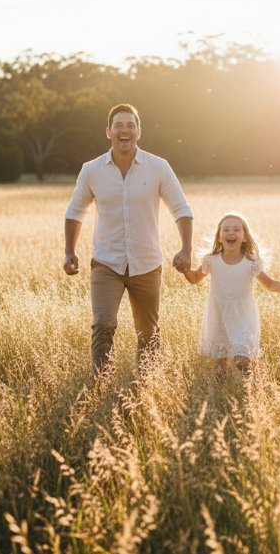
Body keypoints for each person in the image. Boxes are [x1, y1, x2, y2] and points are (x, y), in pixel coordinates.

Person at [63, 103, 194, 375]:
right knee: (103, 324)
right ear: (108, 132)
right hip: (106, 263)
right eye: (119, 126)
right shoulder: (92, 170)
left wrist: (186, 249)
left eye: (130, 126)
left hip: (147, 264)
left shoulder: (158, 167)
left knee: (148, 333)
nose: (125, 131)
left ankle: (146, 386)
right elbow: (75, 212)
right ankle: (101, 383)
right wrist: (69, 251)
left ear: (139, 132)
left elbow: (181, 210)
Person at [182, 212, 280, 377]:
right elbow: (194, 279)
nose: (231, 233)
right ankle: (224, 398)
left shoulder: (251, 262)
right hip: (218, 316)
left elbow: (269, 284)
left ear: (244, 237)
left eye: (236, 229)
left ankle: (250, 389)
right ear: (219, 237)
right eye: (226, 229)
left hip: (243, 317)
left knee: (242, 360)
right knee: (221, 368)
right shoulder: (211, 260)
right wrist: (184, 269)